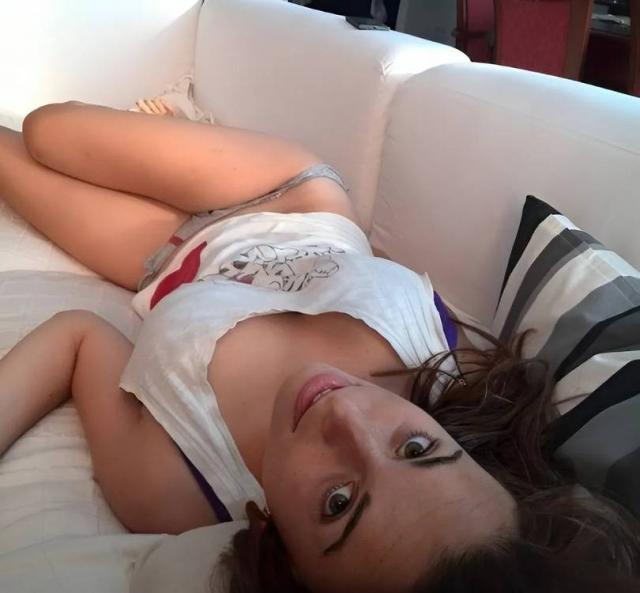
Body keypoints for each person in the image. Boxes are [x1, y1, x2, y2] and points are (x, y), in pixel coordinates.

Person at [0, 101, 638, 593]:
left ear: (290, 566)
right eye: (418, 448)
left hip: (164, 260)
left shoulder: (175, 490)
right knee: (49, 130)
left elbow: (77, 338)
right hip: (285, 193)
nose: (345, 413)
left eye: (339, 503)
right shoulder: (457, 370)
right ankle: (182, 126)